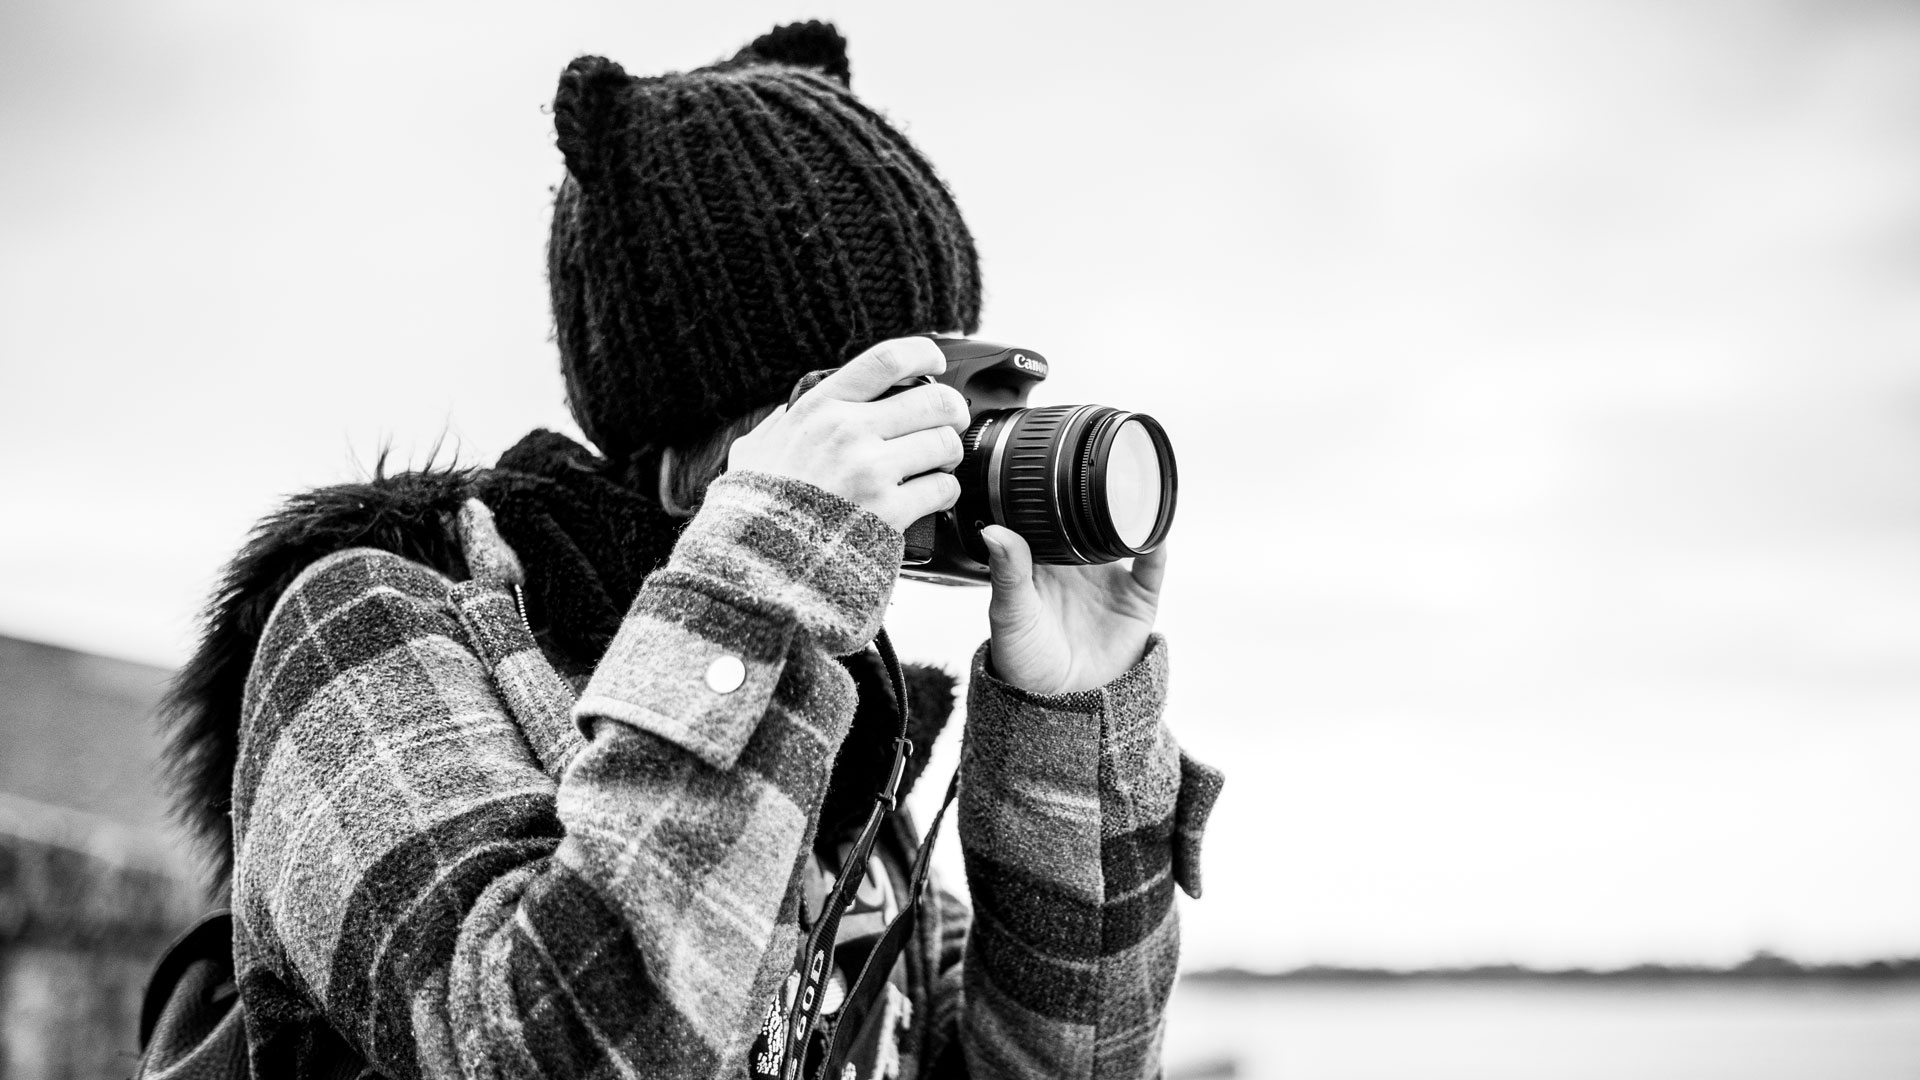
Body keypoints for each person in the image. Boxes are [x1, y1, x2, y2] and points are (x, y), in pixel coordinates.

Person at [161, 21, 1221, 1080]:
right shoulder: (365, 627)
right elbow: (550, 1050)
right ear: (753, 429)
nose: (937, 451)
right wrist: (773, 571)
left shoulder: (847, 739)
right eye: (895, 403)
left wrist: (1067, 735)